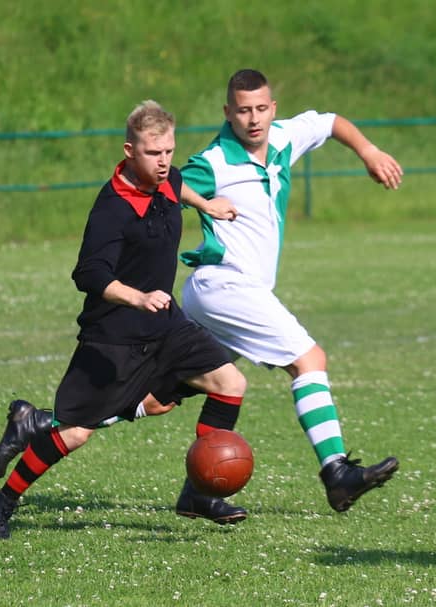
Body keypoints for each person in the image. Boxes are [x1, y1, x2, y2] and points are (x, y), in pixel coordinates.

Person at [0, 100, 250, 539]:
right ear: (129, 151)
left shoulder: (167, 178)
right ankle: (1, 504)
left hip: (166, 326)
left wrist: (208, 206)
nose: (163, 162)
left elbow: (177, 185)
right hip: (115, 337)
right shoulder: (113, 208)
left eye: (168, 151)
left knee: (228, 383)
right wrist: (136, 297)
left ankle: (198, 494)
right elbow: (88, 274)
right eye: (152, 153)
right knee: (75, 434)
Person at [169, 68, 403, 513]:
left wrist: (369, 151)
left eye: (261, 108)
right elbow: (167, 183)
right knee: (309, 360)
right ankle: (336, 472)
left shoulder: (282, 138)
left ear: (273, 108)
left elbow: (330, 122)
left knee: (173, 389)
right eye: (243, 110)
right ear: (228, 112)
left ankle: (49, 426)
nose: (253, 119)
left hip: (224, 293)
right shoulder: (214, 161)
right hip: (225, 285)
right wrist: (204, 202)